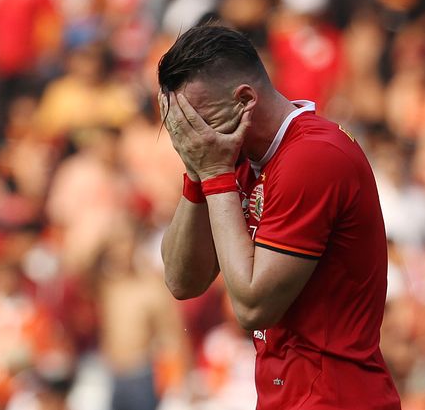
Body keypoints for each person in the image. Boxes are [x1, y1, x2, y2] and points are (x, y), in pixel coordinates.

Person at [158, 24, 401, 409]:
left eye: (198, 121)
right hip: (288, 397)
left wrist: (215, 174)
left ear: (244, 100)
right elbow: (181, 280)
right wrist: (196, 172)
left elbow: (254, 307)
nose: (191, 136)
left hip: (335, 399)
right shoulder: (233, 155)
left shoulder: (313, 158)